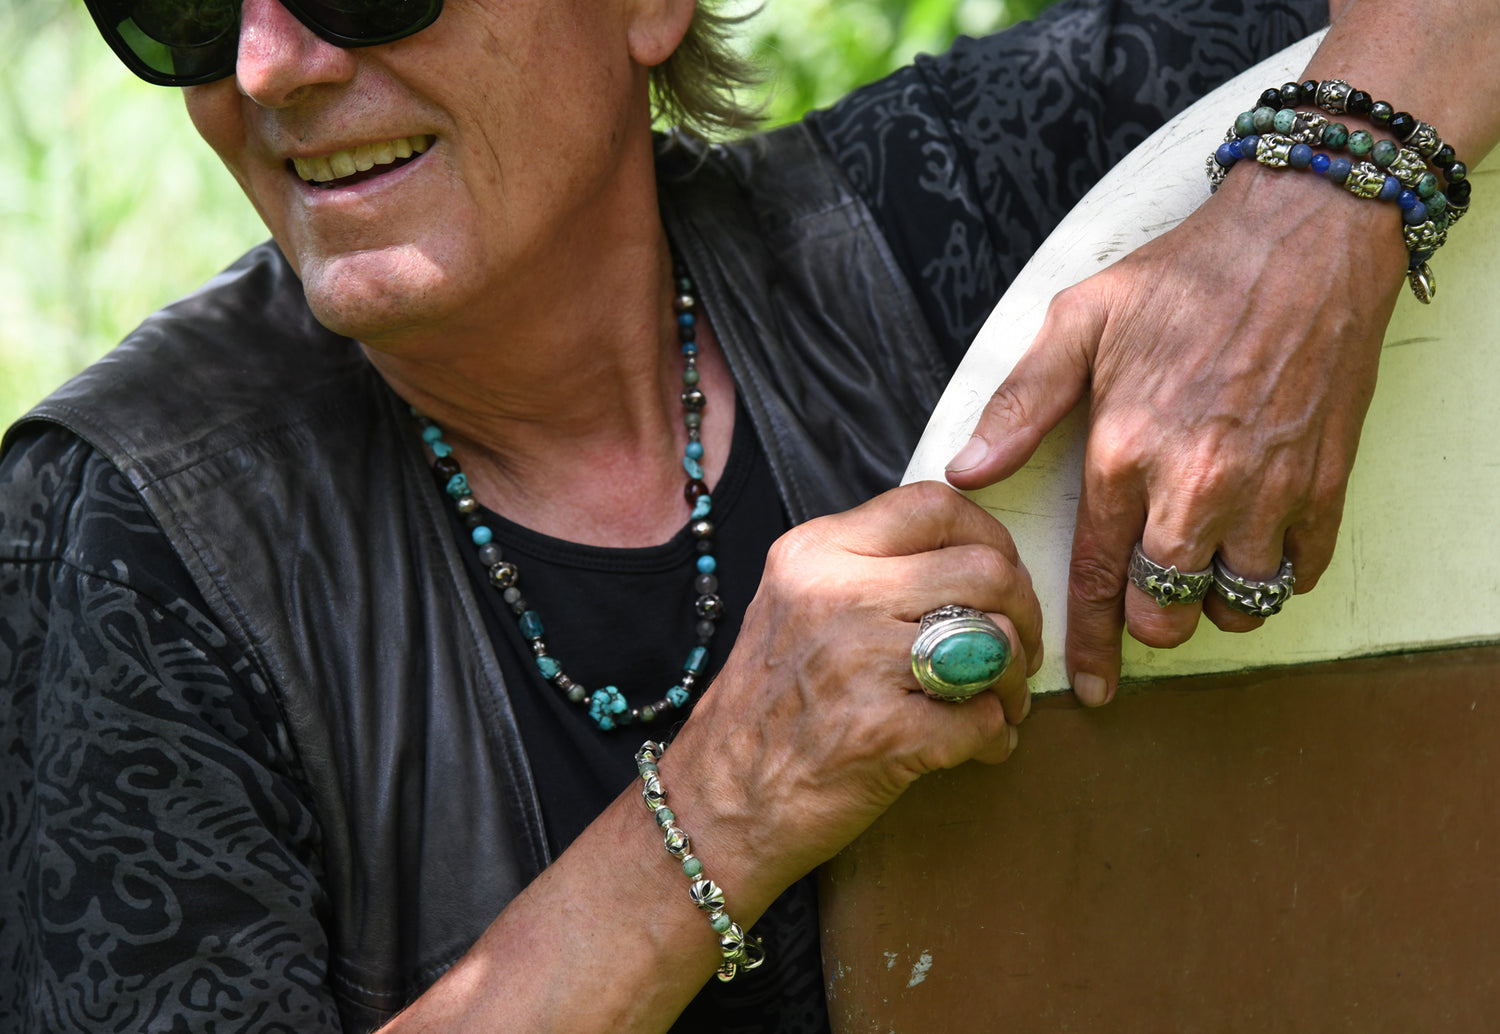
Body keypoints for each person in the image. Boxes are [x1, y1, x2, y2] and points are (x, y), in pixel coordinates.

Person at [1, 0, 1494, 1028]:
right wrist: (720, 810)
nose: (269, 68)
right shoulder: (127, 540)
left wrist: (1323, 199)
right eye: (185, 8)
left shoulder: (956, 208)